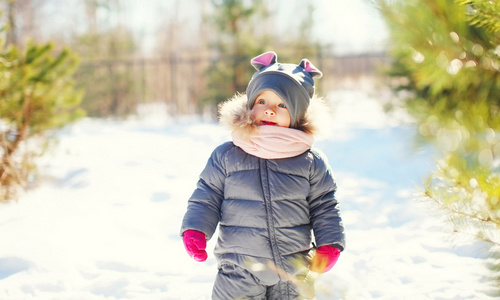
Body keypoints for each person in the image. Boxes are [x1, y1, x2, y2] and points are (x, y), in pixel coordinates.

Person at [180, 51, 345, 299]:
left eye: (281, 105)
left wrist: (329, 243)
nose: (269, 111)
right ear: (250, 105)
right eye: (262, 102)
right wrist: (195, 229)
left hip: (293, 267)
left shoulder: (310, 161)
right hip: (239, 267)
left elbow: (325, 205)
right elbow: (207, 196)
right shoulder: (228, 155)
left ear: (297, 113)